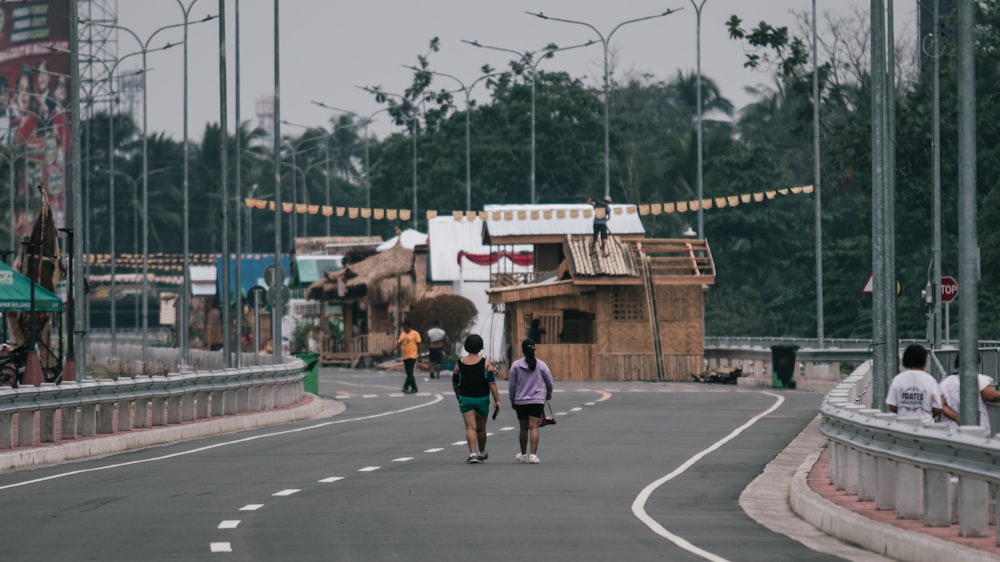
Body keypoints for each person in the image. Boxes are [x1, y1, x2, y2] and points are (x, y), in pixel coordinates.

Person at [452, 334, 500, 463]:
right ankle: (482, 452)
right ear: (480, 346)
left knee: (470, 427)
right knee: (481, 427)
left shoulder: (459, 364)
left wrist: (458, 395)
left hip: (465, 398)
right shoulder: (486, 363)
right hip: (482, 399)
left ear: (466, 346)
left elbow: (455, 383)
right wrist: (497, 400)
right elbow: (492, 384)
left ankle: (472, 454)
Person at [508, 338, 554, 464]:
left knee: (523, 428)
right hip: (537, 401)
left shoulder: (516, 365)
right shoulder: (541, 365)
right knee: (534, 427)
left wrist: (512, 399)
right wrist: (549, 393)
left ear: (522, 350)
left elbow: (512, 385)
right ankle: (533, 456)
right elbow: (549, 381)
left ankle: (523, 455)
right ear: (535, 349)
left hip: (521, 401)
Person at [940, 354, 1000, 435]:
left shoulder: (946, 382)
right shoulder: (978, 379)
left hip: (951, 432)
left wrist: (957, 417)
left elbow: (941, 405)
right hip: (976, 431)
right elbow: (990, 396)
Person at [886, 344, 942, 423]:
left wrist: (904, 412)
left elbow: (891, 405)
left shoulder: (898, 379)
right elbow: (938, 408)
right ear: (924, 361)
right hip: (925, 425)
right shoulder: (930, 380)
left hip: (903, 426)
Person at [390, 322, 421, 393]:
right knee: (408, 373)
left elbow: (419, 345)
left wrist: (419, 355)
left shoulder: (415, 334)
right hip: (405, 356)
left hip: (412, 356)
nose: (405, 329)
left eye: (406, 328)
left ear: (410, 327)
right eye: (404, 328)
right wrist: (392, 350)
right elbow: (398, 344)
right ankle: (414, 388)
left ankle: (405, 387)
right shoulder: (403, 334)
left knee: (410, 372)